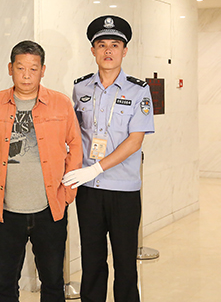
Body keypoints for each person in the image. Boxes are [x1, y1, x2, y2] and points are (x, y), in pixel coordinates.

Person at [0, 40, 82, 302]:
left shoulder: (61, 103)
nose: (27, 75)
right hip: (5, 209)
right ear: (10, 69)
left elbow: (76, 146)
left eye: (33, 68)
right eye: (21, 68)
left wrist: (68, 192)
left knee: (53, 281)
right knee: (5, 283)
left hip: (49, 208)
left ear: (43, 70)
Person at [63, 15, 155, 302]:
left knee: (125, 263)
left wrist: (97, 168)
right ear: (93, 50)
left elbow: (135, 140)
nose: (108, 51)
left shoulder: (138, 90)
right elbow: (73, 134)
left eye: (115, 45)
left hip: (124, 190)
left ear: (124, 51)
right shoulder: (80, 88)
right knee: (92, 261)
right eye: (102, 45)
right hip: (89, 190)